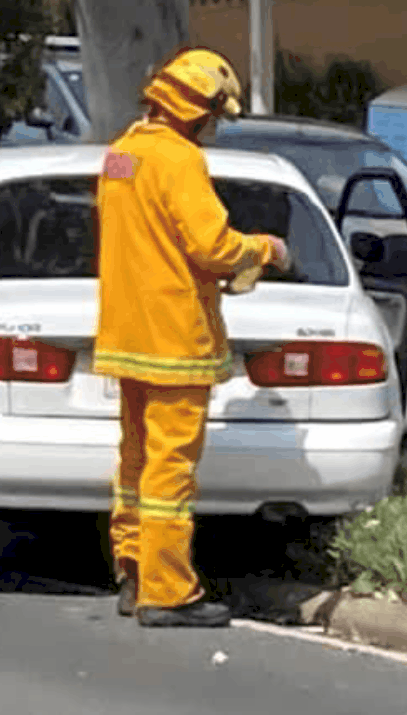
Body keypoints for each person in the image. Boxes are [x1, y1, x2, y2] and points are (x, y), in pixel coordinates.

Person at [95, 47, 292, 627]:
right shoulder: (179, 161)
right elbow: (213, 246)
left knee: (135, 463)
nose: (214, 128)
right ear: (198, 110)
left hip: (126, 333)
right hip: (175, 339)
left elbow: (145, 240)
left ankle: (133, 572)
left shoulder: (122, 154)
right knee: (170, 471)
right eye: (214, 117)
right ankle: (168, 591)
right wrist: (264, 249)